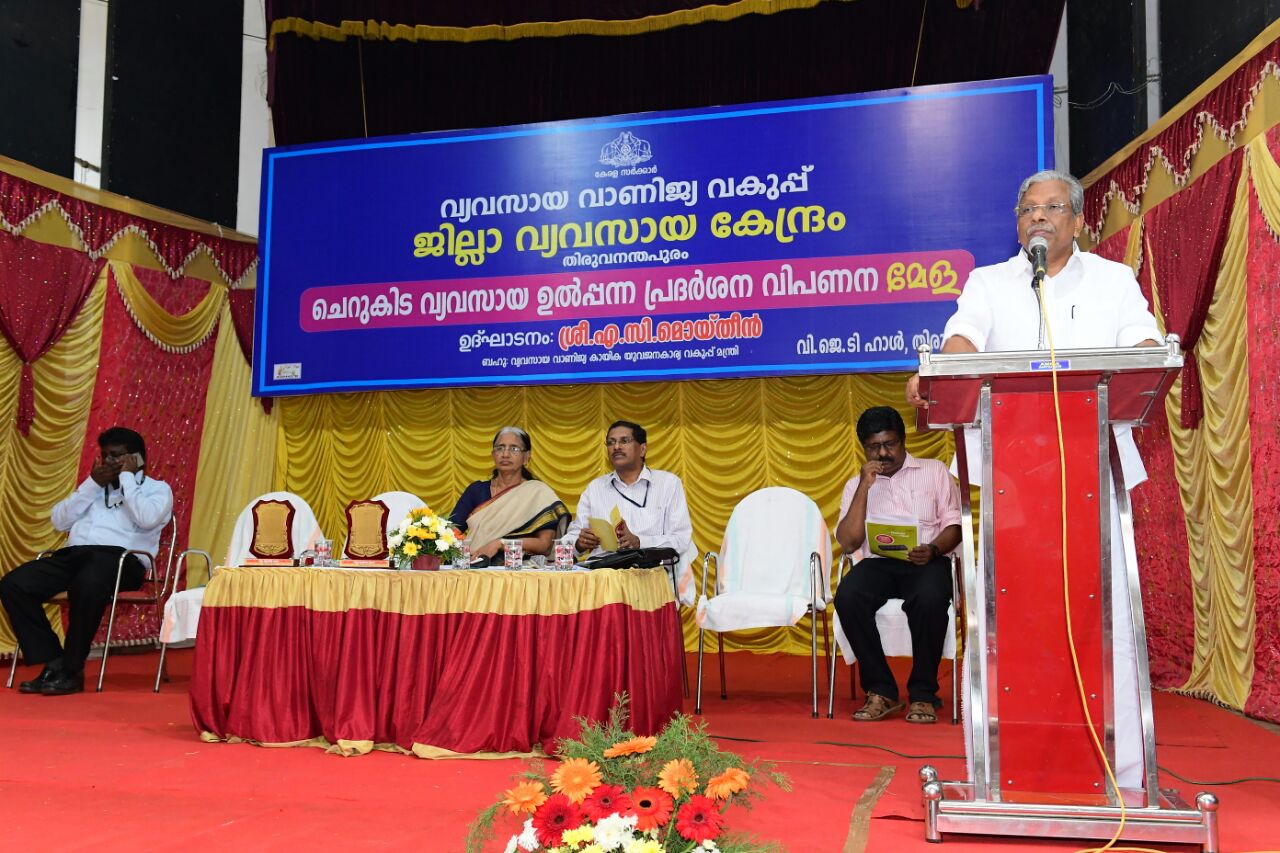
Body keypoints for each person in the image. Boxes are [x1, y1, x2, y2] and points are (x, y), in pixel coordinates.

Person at [906, 169, 1163, 781]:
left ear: (1078, 220)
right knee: (1010, 619)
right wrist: (941, 372)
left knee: (1105, 620)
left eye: (1052, 207)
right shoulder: (989, 282)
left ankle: (1119, 771)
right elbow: (962, 341)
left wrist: (1141, 357)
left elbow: (1145, 347)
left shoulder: (1114, 280)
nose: (1038, 217)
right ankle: (1002, 770)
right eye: (1027, 209)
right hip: (1013, 481)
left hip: (1093, 472)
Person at [0, 426, 173, 695]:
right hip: (76, 557)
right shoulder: (93, 488)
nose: (108, 462)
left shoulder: (157, 489)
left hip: (123, 561)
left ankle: (71, 671)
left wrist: (127, 478)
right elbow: (59, 521)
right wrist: (91, 485)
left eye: (116, 456)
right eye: (105, 456)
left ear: (137, 458)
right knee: (15, 584)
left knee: (88, 581)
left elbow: (147, 518)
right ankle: (55, 662)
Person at [833, 406, 962, 724]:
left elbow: (955, 526)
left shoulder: (934, 471)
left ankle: (923, 693)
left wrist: (933, 549)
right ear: (864, 448)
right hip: (879, 564)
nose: (882, 453)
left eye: (889, 444)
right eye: (873, 447)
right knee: (848, 596)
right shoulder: (856, 485)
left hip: (926, 560)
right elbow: (848, 543)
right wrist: (864, 486)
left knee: (930, 598)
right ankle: (881, 690)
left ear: (903, 441)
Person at [566, 420, 697, 604]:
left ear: (642, 449)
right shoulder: (595, 488)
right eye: (611, 442)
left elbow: (681, 539)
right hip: (604, 587)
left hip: (651, 583)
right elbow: (569, 540)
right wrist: (579, 544)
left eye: (624, 441)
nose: (616, 447)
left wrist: (639, 542)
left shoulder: (668, 484)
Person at [449, 426, 569, 564]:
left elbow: (545, 545)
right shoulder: (476, 490)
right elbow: (451, 533)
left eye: (514, 448)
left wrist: (500, 543)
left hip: (518, 569)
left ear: (526, 457)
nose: (505, 454)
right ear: (493, 454)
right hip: (474, 566)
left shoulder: (538, 493)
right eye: (500, 448)